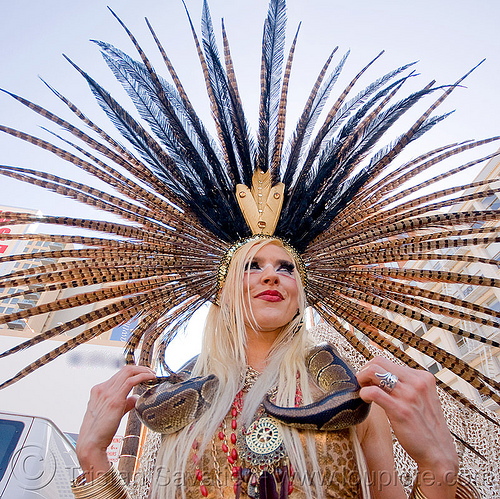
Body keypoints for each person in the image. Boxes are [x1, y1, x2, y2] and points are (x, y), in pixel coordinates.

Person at [72, 237, 465, 499]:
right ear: (223, 292)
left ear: (300, 295)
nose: (272, 274)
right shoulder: (179, 405)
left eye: (286, 267)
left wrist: (439, 465)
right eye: (252, 265)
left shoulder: (356, 398)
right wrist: (92, 455)